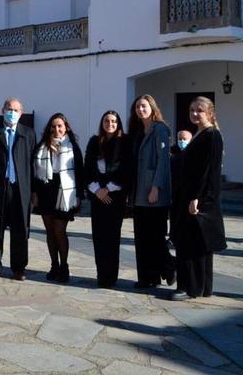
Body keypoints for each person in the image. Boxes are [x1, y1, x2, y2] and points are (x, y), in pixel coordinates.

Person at [170, 97, 226, 300]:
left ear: (210, 113)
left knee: (192, 243)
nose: (194, 113)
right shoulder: (200, 133)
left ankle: (190, 288)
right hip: (189, 196)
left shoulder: (212, 135)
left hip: (197, 199)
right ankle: (202, 288)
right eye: (192, 110)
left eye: (199, 110)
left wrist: (197, 198)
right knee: (194, 242)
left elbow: (208, 171)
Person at [127, 94, 176, 289]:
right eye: (138, 106)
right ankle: (147, 277)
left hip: (153, 192)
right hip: (139, 192)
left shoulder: (159, 129)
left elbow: (163, 161)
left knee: (155, 236)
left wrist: (156, 187)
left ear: (152, 108)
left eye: (144, 106)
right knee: (141, 237)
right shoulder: (139, 131)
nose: (141, 109)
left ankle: (169, 265)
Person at [32, 113, 85, 283]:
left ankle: (64, 266)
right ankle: (54, 265)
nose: (57, 129)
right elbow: (34, 171)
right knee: (49, 230)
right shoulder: (42, 146)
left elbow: (80, 172)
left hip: (65, 190)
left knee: (59, 230)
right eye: (53, 126)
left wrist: (79, 196)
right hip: (46, 189)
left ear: (66, 127)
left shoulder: (72, 147)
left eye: (60, 126)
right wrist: (34, 193)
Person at [0, 98, 36, 281]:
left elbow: (32, 163)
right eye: (9, 109)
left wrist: (34, 191)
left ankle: (19, 267)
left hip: (20, 188)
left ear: (21, 113)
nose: (12, 112)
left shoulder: (28, 134)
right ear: (2, 110)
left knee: (20, 229)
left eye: (16, 110)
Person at [85, 110, 127, 288]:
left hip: (115, 197)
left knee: (112, 237)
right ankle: (101, 275)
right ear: (102, 123)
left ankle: (111, 276)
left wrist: (108, 189)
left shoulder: (125, 143)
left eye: (113, 121)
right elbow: (87, 168)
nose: (110, 124)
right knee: (99, 237)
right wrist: (96, 190)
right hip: (97, 197)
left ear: (118, 124)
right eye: (107, 121)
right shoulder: (95, 141)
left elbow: (126, 170)